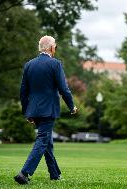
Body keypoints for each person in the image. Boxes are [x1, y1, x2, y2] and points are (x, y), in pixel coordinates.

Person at [14, 35, 78, 185]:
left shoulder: (29, 65)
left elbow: (23, 91)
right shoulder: (55, 64)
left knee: (47, 142)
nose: (55, 48)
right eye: (55, 45)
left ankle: (55, 174)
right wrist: (71, 106)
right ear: (50, 47)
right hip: (48, 110)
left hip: (34, 110)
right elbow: (63, 88)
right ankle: (24, 173)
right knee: (43, 140)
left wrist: (27, 112)